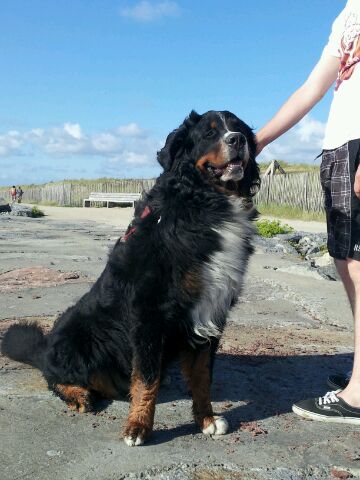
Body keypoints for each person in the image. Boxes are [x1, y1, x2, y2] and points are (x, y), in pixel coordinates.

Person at [256, 0, 360, 424]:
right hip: (339, 145)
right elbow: (311, 88)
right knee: (347, 263)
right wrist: (258, 139)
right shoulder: (349, 12)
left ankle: (359, 395)